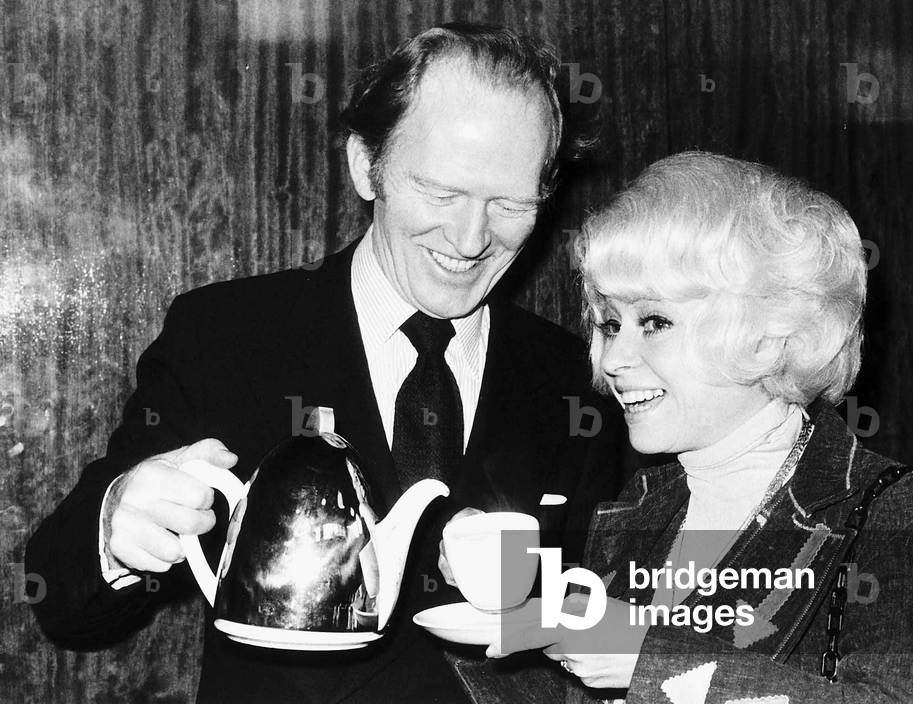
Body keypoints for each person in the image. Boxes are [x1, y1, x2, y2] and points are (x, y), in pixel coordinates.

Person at [25, 24, 630, 704]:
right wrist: (116, 527)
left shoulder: (582, 376)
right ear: (365, 165)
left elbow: (613, 605)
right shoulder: (225, 335)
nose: (470, 240)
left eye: (511, 204)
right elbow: (63, 603)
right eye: (441, 193)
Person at [486, 152, 913, 703]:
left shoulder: (897, 510)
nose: (614, 359)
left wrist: (653, 660)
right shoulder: (643, 506)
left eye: (655, 322)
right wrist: (501, 603)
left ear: (767, 336)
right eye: (611, 324)